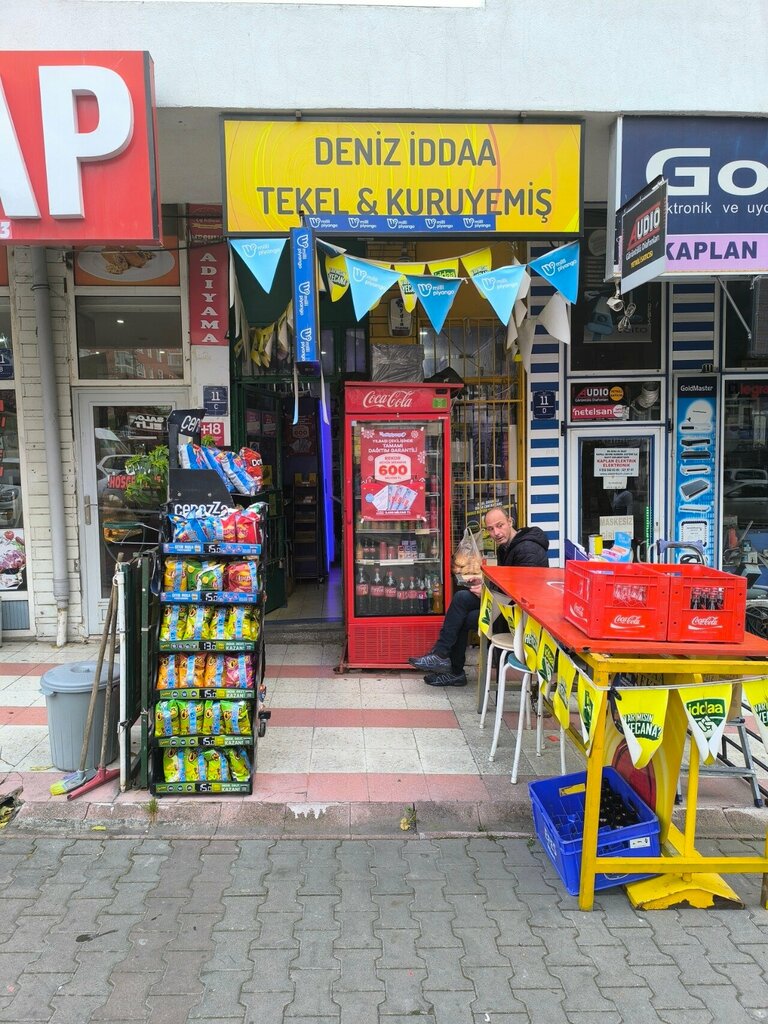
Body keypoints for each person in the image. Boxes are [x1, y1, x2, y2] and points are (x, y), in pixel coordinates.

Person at [408, 506, 549, 686]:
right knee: (461, 602)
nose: (496, 533)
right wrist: (485, 582)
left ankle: (448, 663)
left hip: (520, 617)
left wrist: (487, 592)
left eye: (500, 525)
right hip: (506, 607)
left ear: (510, 522)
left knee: (462, 614)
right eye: (490, 529)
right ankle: (444, 659)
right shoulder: (507, 546)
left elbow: (526, 594)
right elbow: (510, 581)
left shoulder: (528, 550)